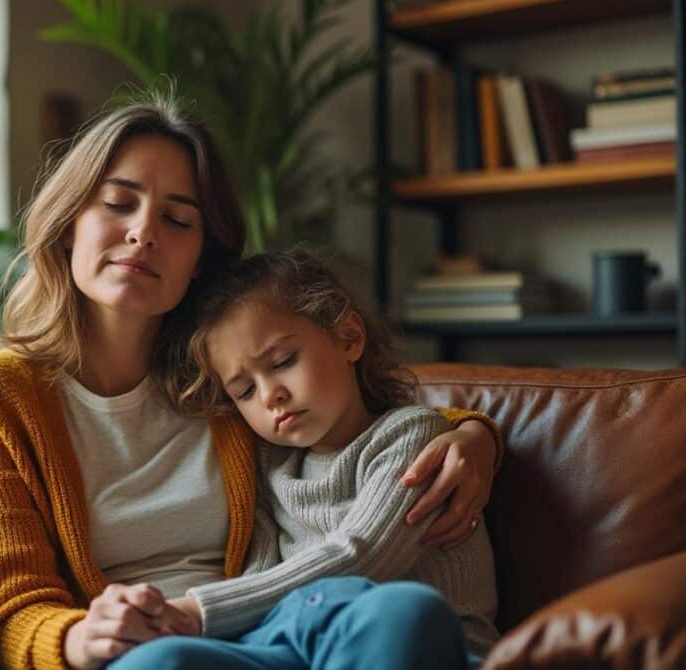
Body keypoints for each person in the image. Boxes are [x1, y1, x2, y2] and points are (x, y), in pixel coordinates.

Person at [0, 92, 503, 670]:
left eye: (178, 219)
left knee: (402, 614)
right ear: (67, 225)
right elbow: (10, 606)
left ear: (200, 258)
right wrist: (82, 638)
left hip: (279, 627)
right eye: (117, 204)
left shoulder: (217, 380)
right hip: (160, 650)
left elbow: (353, 421)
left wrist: (471, 434)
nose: (143, 233)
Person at [109, 248, 499, 670]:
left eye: (282, 362)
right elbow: (258, 572)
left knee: (403, 608)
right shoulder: (270, 463)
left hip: (410, 638)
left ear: (348, 338)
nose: (269, 395)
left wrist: (198, 610)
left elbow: (360, 557)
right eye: (244, 391)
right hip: (296, 642)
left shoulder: (411, 435)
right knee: (162, 658)